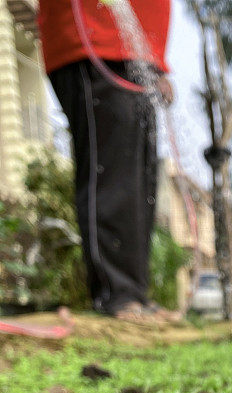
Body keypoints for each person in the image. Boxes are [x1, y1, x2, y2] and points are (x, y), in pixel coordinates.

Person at [37, 0, 179, 322]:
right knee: (112, 174)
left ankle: (134, 295)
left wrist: (156, 62)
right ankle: (115, 295)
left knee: (141, 184)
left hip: (139, 52)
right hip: (92, 40)